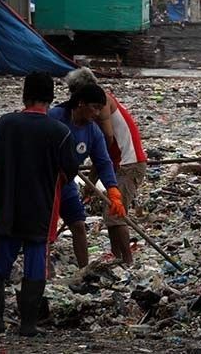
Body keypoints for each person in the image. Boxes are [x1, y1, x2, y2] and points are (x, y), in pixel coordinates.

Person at [0, 72, 79, 337]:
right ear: (51, 98)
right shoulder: (60, 132)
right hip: (42, 210)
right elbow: (69, 172)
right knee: (36, 266)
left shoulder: (6, 124)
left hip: (6, 209)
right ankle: (28, 325)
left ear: (24, 95)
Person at [64, 68, 147, 264]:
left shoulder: (101, 103)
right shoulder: (98, 102)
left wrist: (93, 177)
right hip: (118, 163)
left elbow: (106, 140)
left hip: (129, 163)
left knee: (115, 214)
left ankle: (127, 262)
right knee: (111, 213)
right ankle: (116, 256)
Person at [49, 84, 126, 268]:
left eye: (101, 108)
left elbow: (103, 162)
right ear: (81, 103)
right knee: (45, 230)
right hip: (45, 184)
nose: (98, 113)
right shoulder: (55, 118)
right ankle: (43, 271)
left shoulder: (93, 131)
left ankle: (85, 270)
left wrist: (113, 190)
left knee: (78, 225)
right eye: (95, 107)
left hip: (67, 184)